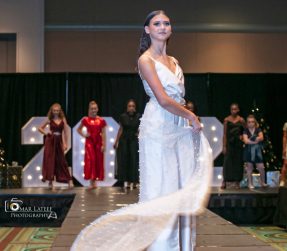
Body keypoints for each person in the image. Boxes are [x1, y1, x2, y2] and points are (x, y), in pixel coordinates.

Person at [71, 10, 212, 251]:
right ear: (147, 29)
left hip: (178, 125)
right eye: (157, 23)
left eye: (166, 23)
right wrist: (191, 115)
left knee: (180, 186)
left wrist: (186, 119)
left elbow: (177, 97)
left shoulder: (175, 61)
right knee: (162, 189)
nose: (163, 27)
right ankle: (163, 247)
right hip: (159, 124)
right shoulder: (145, 60)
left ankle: (183, 246)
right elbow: (164, 99)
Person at [38, 103, 73, 189]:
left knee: (62, 162)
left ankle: (69, 181)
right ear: (52, 111)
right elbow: (40, 128)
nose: (56, 112)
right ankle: (50, 182)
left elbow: (65, 132)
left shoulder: (63, 119)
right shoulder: (50, 120)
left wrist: (65, 143)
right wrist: (46, 132)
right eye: (54, 110)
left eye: (57, 110)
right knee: (50, 162)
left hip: (59, 141)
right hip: (51, 141)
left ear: (60, 111)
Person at [77, 101, 107, 189]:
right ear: (89, 109)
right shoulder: (85, 120)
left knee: (98, 160)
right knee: (91, 160)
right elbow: (79, 129)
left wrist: (103, 145)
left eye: (95, 108)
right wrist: (84, 134)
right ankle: (92, 182)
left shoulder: (101, 120)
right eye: (92, 108)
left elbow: (104, 133)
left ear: (97, 109)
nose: (93, 110)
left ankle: (94, 182)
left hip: (98, 142)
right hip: (89, 142)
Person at [114, 99, 141, 190]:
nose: (131, 108)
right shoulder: (123, 116)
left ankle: (134, 181)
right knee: (125, 160)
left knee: (134, 161)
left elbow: (139, 129)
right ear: (127, 107)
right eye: (130, 106)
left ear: (135, 107)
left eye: (133, 106)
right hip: (124, 141)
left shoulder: (139, 116)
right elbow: (120, 129)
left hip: (133, 141)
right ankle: (127, 181)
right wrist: (116, 141)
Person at [222, 103, 245, 189]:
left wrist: (243, 136)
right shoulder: (226, 120)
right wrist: (224, 146)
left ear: (238, 110)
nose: (234, 111)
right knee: (227, 162)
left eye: (235, 109)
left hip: (238, 144)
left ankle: (237, 182)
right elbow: (224, 134)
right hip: (229, 144)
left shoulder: (241, 120)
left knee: (238, 162)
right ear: (230, 110)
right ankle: (224, 181)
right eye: (232, 109)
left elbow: (246, 130)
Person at [243, 115, 268, 189]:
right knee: (249, 167)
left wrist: (253, 139)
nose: (251, 123)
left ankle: (263, 182)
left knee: (261, 167)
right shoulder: (245, 130)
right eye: (249, 122)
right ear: (247, 123)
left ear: (255, 122)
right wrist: (255, 140)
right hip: (248, 151)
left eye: (252, 122)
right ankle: (250, 183)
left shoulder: (258, 129)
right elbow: (246, 141)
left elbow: (261, 137)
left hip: (257, 151)